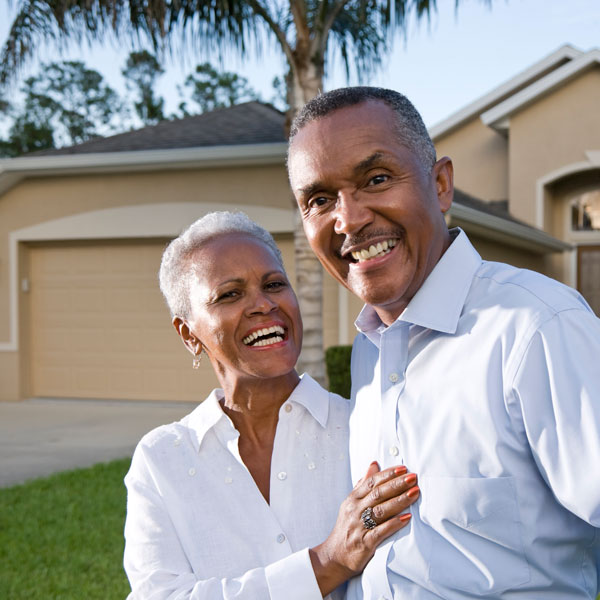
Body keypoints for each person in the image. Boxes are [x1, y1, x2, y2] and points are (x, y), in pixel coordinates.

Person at [287, 87, 600, 599]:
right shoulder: (372, 345)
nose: (349, 219)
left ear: (440, 184)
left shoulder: (536, 327)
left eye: (377, 179)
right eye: (320, 200)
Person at [123, 211, 420, 599]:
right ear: (188, 334)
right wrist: (328, 562)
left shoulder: (365, 427)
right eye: (230, 294)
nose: (263, 305)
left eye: (274, 284)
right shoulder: (161, 461)